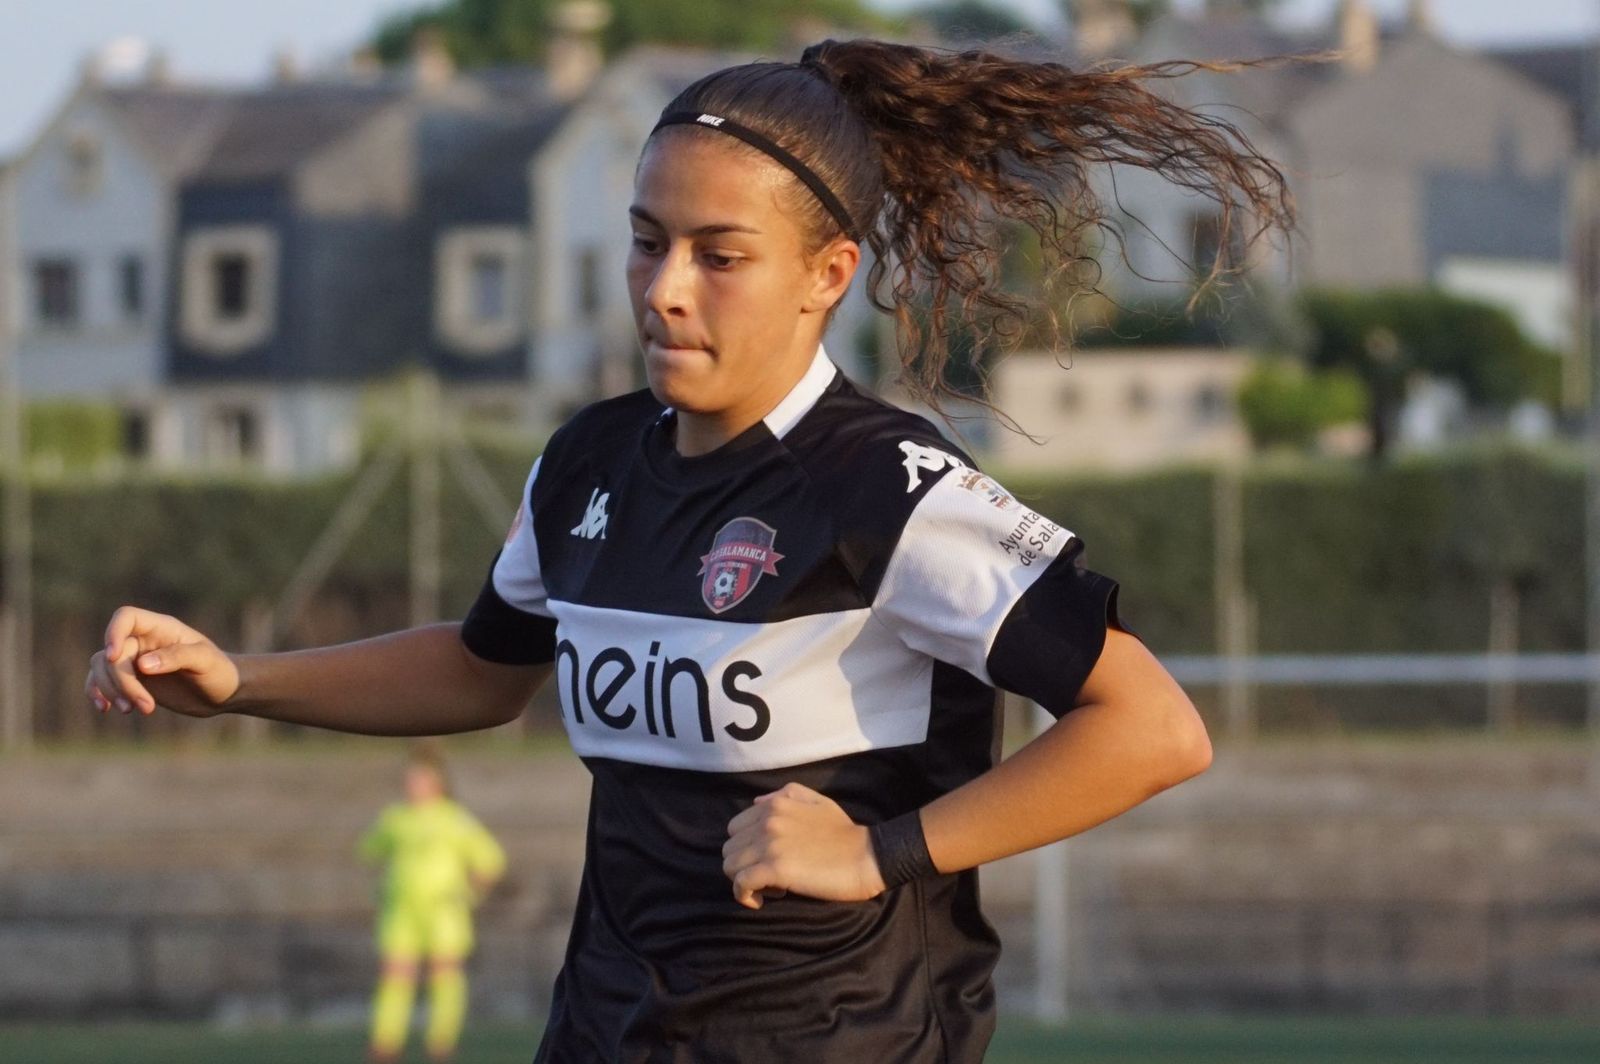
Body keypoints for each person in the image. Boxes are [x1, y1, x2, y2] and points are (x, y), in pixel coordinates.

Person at [85, 37, 1290, 1062]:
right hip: (605, 1025)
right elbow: (483, 667)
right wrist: (243, 681)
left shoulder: (889, 486)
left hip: (841, 1035)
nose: (665, 289)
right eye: (645, 240)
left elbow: (1151, 726)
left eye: (719, 255)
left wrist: (880, 851)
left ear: (828, 276)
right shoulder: (589, 461)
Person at [358, 743, 506, 1063]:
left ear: (438, 782)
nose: (415, 786)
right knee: (397, 976)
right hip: (402, 911)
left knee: (445, 976)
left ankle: (441, 1045)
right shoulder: (396, 818)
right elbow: (370, 850)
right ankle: (385, 1045)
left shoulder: (455, 820)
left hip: (444, 911)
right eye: (411, 780)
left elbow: (490, 862)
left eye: (422, 779)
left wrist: (468, 894)